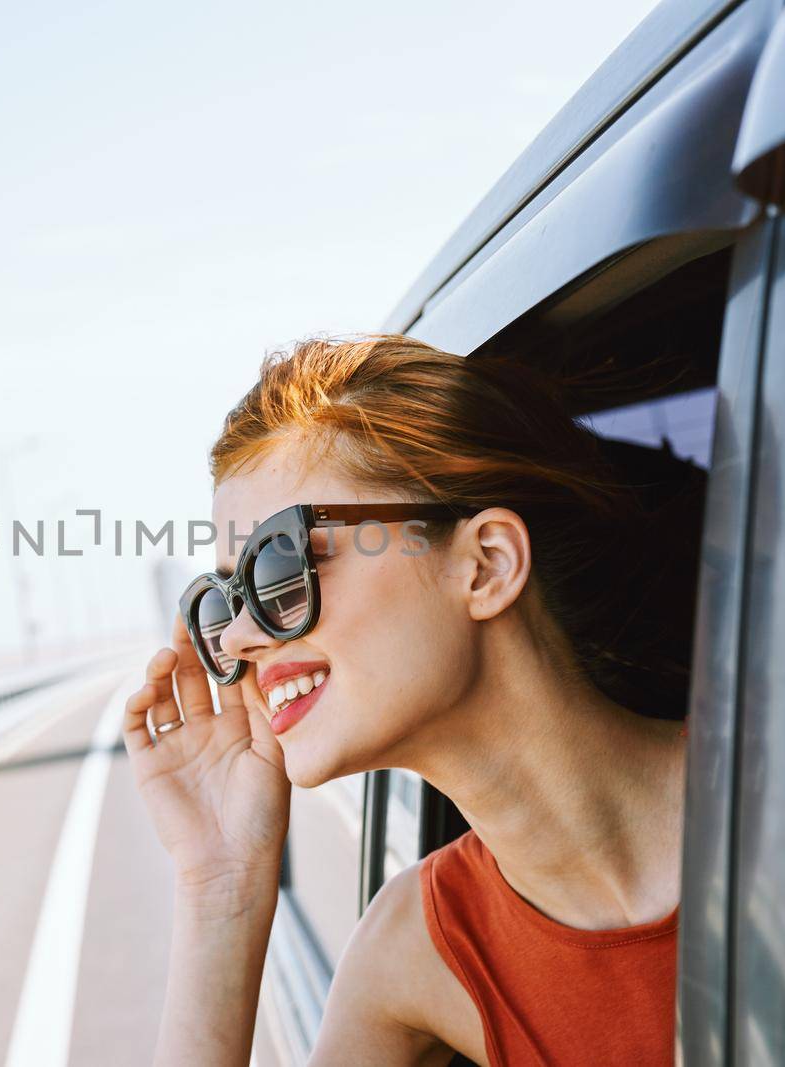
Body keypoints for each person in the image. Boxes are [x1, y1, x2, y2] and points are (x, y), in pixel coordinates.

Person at [121, 335, 698, 1066]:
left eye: (280, 566)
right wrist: (220, 886)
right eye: (225, 599)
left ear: (486, 565)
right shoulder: (416, 954)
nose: (236, 638)